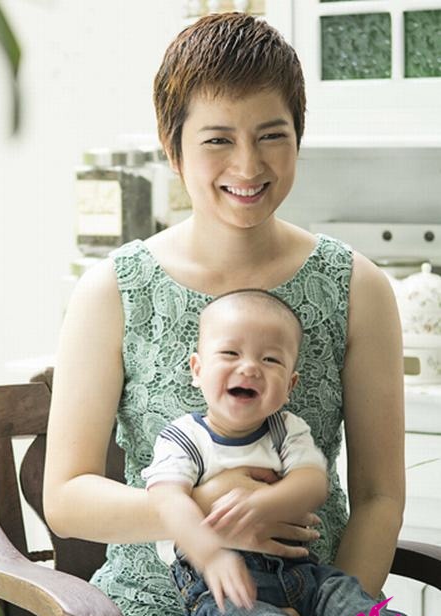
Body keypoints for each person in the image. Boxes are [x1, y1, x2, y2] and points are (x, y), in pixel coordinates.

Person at [43, 12, 405, 616]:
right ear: (173, 149)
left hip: (313, 596)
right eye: (217, 140)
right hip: (151, 602)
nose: (247, 166)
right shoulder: (110, 290)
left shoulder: (358, 287)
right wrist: (205, 512)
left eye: (271, 135)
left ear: (298, 136)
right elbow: (66, 497)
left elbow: (378, 496)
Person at [142, 289, 404, 616]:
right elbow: (168, 501)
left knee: (351, 598)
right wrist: (211, 555)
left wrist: (262, 503)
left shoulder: (286, 430)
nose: (250, 368)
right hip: (225, 587)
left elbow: (312, 482)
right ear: (197, 370)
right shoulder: (184, 437)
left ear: (290, 386)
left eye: (270, 359)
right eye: (230, 353)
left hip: (305, 578)